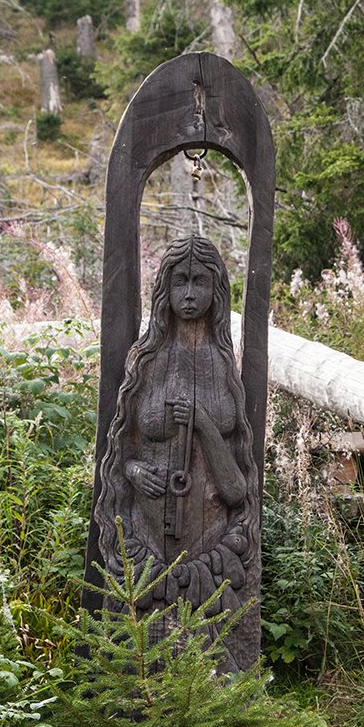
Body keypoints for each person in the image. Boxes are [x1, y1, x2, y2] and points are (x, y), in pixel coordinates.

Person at [96, 234, 259, 670]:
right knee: (139, 657)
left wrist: (204, 423)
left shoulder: (223, 364)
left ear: (216, 290)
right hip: (146, 539)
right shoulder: (147, 360)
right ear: (163, 290)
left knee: (217, 660)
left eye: (199, 282)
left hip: (211, 542)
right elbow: (122, 447)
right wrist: (134, 471)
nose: (188, 294)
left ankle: (224, 696)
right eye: (179, 282)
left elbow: (237, 489)